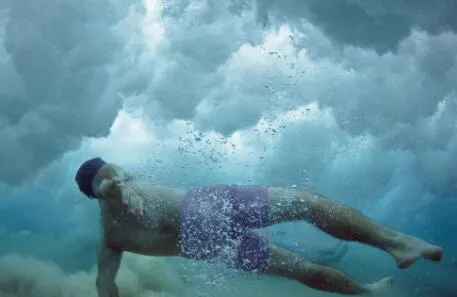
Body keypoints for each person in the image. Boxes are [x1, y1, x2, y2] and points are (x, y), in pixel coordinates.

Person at [75, 157, 443, 297]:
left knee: (301, 270)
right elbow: (108, 177)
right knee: (306, 203)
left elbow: (104, 288)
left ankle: (366, 293)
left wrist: (108, 188)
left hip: (206, 245)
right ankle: (396, 243)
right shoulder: (118, 183)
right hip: (203, 210)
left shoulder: (110, 239)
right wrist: (112, 183)